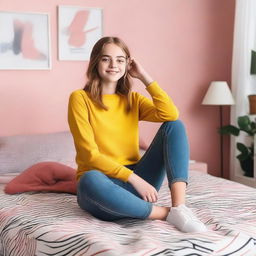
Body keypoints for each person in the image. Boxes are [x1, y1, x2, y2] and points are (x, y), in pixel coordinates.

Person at [68, 36, 207, 233]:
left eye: (120, 60)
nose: (113, 65)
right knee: (89, 180)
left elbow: (170, 114)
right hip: (102, 183)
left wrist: (144, 77)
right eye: (106, 59)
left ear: (127, 64)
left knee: (175, 125)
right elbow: (89, 155)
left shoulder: (132, 99)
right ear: (95, 62)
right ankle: (166, 213)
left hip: (137, 181)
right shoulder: (80, 99)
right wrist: (134, 179)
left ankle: (180, 207)